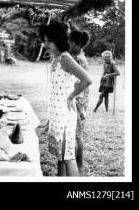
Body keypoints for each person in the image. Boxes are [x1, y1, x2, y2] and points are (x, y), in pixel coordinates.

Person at [39, 20, 92, 176]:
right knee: (60, 156)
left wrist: (71, 97)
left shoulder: (65, 58)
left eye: (49, 40)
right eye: (44, 40)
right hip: (56, 112)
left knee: (68, 157)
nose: (45, 44)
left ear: (59, 40)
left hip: (64, 113)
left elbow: (87, 79)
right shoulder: (55, 59)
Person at [69, 29, 91, 175]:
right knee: (77, 135)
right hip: (80, 100)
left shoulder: (77, 59)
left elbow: (80, 82)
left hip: (78, 101)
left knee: (76, 136)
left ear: (77, 44)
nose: (68, 44)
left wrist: (71, 96)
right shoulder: (79, 57)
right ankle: (79, 164)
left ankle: (79, 165)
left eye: (70, 42)